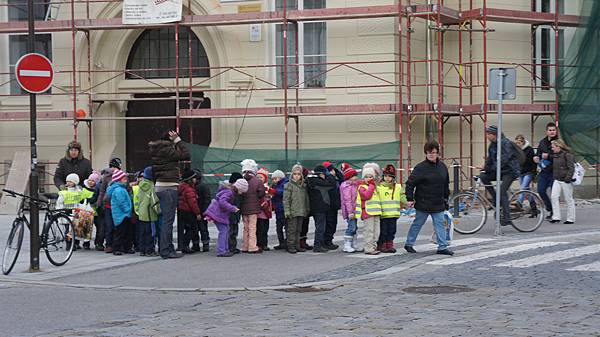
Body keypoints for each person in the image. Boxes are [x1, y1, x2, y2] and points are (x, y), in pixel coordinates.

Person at [403, 140, 454, 256]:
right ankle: (409, 243)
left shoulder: (442, 167)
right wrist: (409, 198)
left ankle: (442, 247)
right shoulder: (420, 168)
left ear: (437, 153)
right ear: (426, 153)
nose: (432, 155)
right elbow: (410, 184)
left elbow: (446, 184)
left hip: (438, 202)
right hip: (423, 202)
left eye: (434, 152)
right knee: (418, 223)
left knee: (440, 224)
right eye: (429, 152)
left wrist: (446, 199)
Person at [148, 130, 190, 259]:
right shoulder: (168, 150)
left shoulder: (156, 151)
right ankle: (166, 250)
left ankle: (167, 248)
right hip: (169, 186)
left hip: (160, 186)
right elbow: (186, 155)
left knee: (166, 220)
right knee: (168, 221)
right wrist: (178, 140)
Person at [479, 125, 520, 227]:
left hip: (510, 171)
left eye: (489, 134)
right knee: (483, 177)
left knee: (502, 191)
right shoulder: (492, 145)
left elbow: (504, 159)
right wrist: (485, 168)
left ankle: (507, 217)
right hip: (500, 170)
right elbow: (490, 160)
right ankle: (496, 200)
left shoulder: (505, 143)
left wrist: (491, 168)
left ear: (494, 135)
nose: (487, 136)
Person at [204, 178, 248, 257]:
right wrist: (233, 208)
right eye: (241, 191)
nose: (241, 193)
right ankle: (221, 251)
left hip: (219, 214)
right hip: (218, 214)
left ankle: (225, 249)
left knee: (226, 230)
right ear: (238, 188)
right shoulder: (229, 192)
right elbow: (222, 202)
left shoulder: (229, 191)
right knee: (224, 231)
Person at [377, 164, 407, 253]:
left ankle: (389, 244)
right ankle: (382, 244)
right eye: (385, 176)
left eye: (389, 176)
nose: (387, 178)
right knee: (383, 231)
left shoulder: (397, 187)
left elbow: (402, 196)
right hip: (383, 214)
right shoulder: (379, 187)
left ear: (393, 177)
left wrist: (408, 202)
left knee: (392, 230)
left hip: (394, 214)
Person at [307, 165, 337, 253]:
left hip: (318, 207)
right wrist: (330, 175)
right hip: (320, 208)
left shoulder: (312, 181)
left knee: (320, 227)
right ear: (321, 174)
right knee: (320, 228)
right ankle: (317, 245)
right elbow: (332, 184)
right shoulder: (318, 183)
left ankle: (320, 244)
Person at [355, 163, 382, 255]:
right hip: (367, 212)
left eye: (370, 176)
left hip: (376, 212)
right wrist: (371, 186)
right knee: (369, 231)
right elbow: (367, 196)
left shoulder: (375, 187)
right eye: (366, 177)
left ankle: (373, 246)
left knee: (376, 231)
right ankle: (368, 248)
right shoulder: (362, 187)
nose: (368, 179)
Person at [534, 123, 559, 219]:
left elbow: (560, 156)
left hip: (554, 171)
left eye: (553, 130)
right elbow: (539, 154)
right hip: (544, 171)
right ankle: (550, 208)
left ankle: (555, 213)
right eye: (550, 130)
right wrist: (536, 158)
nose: (552, 132)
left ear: (556, 131)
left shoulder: (558, 142)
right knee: (540, 190)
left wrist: (548, 156)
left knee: (553, 194)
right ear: (546, 131)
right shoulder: (542, 142)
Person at [283, 164, 310, 254]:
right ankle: (290, 246)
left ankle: (297, 245)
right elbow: (286, 200)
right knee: (291, 230)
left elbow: (306, 199)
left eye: (298, 174)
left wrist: (307, 209)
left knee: (299, 230)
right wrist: (287, 211)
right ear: (292, 175)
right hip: (292, 211)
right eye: (295, 174)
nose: (297, 176)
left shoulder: (303, 186)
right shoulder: (288, 185)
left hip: (301, 211)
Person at [97, 157, 123, 253]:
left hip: (112, 205)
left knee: (111, 226)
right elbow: (102, 191)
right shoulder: (106, 177)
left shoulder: (118, 176)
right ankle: (110, 245)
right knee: (111, 226)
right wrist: (100, 204)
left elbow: (102, 192)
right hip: (109, 205)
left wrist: (99, 203)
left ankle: (112, 245)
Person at [239, 159, 265, 254]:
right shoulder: (257, 181)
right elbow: (261, 193)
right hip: (254, 209)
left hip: (243, 208)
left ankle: (245, 246)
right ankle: (252, 247)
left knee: (245, 228)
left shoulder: (241, 181)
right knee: (252, 227)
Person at [107, 169, 134, 256]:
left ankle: (126, 247)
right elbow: (121, 202)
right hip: (122, 215)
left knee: (126, 232)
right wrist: (128, 209)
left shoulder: (121, 188)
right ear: (118, 180)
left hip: (122, 214)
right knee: (120, 232)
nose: (126, 181)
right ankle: (117, 248)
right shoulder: (119, 190)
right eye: (124, 179)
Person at [56, 173, 86, 250]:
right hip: (66, 213)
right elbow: (59, 202)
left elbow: (80, 202)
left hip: (75, 213)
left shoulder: (79, 191)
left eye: (71, 181)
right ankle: (68, 244)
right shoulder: (64, 192)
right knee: (67, 230)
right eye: (67, 181)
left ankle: (74, 243)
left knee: (74, 230)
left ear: (75, 182)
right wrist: (59, 211)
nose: (68, 183)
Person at [549, 139, 576, 224]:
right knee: (553, 196)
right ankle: (556, 217)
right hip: (557, 179)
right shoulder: (555, 155)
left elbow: (572, 168)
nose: (552, 149)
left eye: (553, 147)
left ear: (558, 146)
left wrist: (567, 178)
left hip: (565, 180)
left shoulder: (567, 155)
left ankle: (570, 218)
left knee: (568, 199)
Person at [136, 166, 161, 256]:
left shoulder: (141, 185)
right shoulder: (151, 186)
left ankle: (142, 250)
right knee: (151, 233)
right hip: (150, 214)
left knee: (142, 233)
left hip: (142, 213)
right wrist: (159, 211)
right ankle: (149, 250)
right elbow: (154, 201)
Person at [177, 169, 201, 254]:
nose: (196, 179)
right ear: (190, 179)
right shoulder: (189, 189)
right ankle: (185, 246)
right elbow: (193, 203)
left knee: (187, 228)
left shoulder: (183, 187)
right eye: (194, 178)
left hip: (182, 210)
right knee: (192, 229)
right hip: (188, 211)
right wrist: (197, 213)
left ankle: (183, 245)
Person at [515, 135, 539, 214]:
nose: (517, 144)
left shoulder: (529, 149)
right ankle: (534, 208)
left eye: (519, 143)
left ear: (523, 142)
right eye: (516, 143)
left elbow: (533, 161)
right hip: (521, 173)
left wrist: (534, 172)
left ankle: (518, 204)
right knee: (526, 191)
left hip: (529, 172)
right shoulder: (517, 150)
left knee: (523, 188)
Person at [339, 163, 360, 253]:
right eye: (354, 176)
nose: (356, 177)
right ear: (349, 177)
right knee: (351, 227)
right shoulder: (346, 186)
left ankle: (353, 244)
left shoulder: (354, 185)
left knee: (355, 227)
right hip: (350, 211)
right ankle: (347, 244)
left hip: (355, 210)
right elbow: (347, 200)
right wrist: (350, 212)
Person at [323, 161, 343, 250]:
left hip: (334, 205)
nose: (332, 172)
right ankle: (326, 241)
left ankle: (329, 240)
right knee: (329, 224)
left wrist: (337, 173)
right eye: (330, 170)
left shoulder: (336, 180)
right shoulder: (327, 180)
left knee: (333, 224)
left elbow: (343, 180)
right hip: (328, 205)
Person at [82, 171, 101, 250]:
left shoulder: (97, 190)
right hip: (86, 211)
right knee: (86, 227)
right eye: (90, 180)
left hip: (95, 212)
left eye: (93, 181)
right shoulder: (84, 189)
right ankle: (86, 243)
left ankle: (98, 242)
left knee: (99, 228)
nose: (90, 182)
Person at [193, 169, 211, 253]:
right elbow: (207, 199)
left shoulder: (194, 186)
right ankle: (205, 244)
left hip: (195, 211)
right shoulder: (204, 186)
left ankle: (196, 245)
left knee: (195, 229)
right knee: (203, 229)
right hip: (202, 211)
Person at [256, 168, 273, 252]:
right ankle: (259, 244)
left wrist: (269, 195)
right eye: (258, 177)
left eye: (261, 177)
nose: (259, 179)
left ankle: (264, 244)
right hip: (259, 212)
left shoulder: (267, 187)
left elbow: (272, 194)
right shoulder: (256, 187)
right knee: (259, 229)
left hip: (266, 213)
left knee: (265, 229)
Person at [271, 170, 288, 250]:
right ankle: (281, 243)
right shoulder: (275, 185)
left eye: (275, 178)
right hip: (278, 209)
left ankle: (287, 242)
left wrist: (274, 191)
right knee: (279, 228)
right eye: (273, 179)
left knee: (287, 228)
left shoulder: (285, 184)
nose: (274, 180)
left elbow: (283, 193)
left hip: (284, 209)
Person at [227, 172, 244, 254]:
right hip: (231, 215)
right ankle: (230, 247)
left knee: (233, 232)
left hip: (234, 215)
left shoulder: (236, 192)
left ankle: (232, 247)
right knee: (231, 232)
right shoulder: (231, 192)